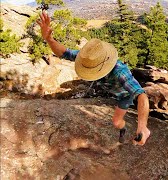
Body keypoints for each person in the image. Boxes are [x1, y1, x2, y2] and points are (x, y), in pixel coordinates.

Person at [36, 11, 150, 146]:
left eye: (92, 70)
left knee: (116, 122)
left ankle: (123, 129)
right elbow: (64, 52)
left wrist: (142, 126)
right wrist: (49, 39)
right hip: (109, 88)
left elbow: (141, 95)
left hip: (124, 95)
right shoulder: (89, 58)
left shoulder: (120, 72)